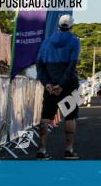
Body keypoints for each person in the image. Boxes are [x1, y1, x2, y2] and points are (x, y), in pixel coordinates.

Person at [35, 14, 81, 160]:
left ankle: (41, 150)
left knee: (45, 117)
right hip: (68, 85)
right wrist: (61, 85)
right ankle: (69, 150)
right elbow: (71, 65)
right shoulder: (75, 42)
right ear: (71, 26)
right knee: (70, 117)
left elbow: (40, 65)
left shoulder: (46, 42)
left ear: (58, 26)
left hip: (50, 85)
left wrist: (47, 83)